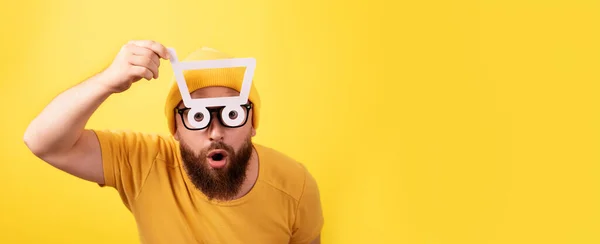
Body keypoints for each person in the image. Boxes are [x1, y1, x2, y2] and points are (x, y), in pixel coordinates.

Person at [23, 40, 324, 244]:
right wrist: (107, 81)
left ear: (252, 124)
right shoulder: (143, 163)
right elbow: (43, 142)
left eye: (231, 113)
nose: (216, 132)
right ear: (176, 128)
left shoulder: (295, 185)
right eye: (197, 115)